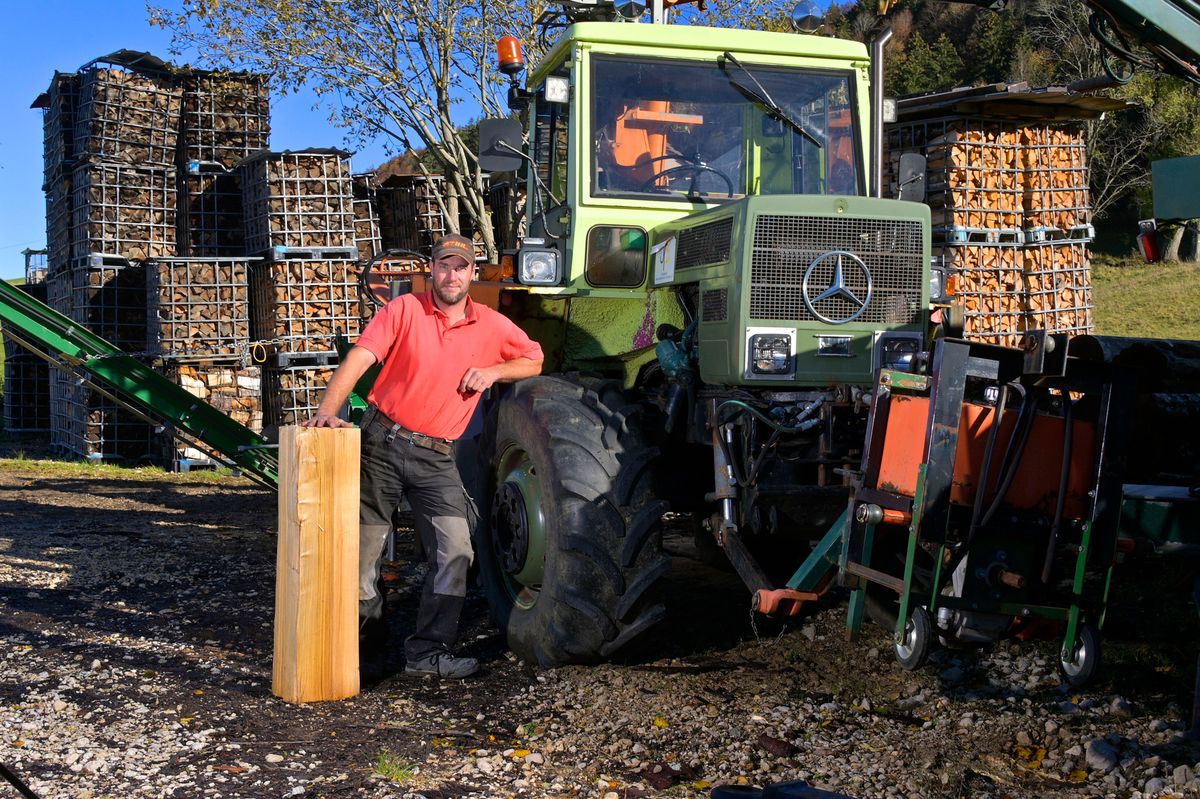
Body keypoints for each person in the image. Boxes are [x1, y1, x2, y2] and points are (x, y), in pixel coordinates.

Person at [302, 234, 544, 678]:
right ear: (431, 269)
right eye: (444, 266)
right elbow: (360, 358)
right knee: (361, 555)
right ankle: (360, 649)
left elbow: (533, 359)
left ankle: (428, 653)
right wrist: (326, 413)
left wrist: (493, 371)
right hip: (382, 443)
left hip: (437, 457)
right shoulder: (404, 310)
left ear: (473, 273)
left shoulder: (491, 324)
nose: (452, 275)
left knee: (456, 551)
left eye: (461, 267)